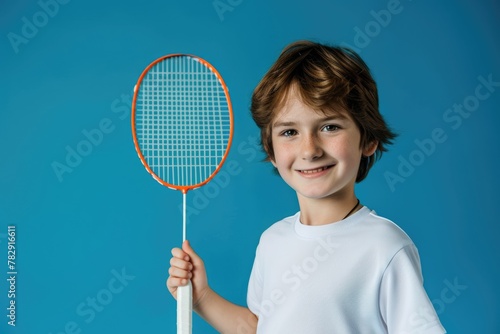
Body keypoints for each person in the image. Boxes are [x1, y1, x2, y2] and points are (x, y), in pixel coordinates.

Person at [166, 40, 446, 333]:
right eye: (289, 132)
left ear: (368, 139)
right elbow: (260, 328)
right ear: (271, 150)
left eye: (329, 127)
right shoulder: (272, 241)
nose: (309, 149)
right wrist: (202, 299)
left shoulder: (385, 246)